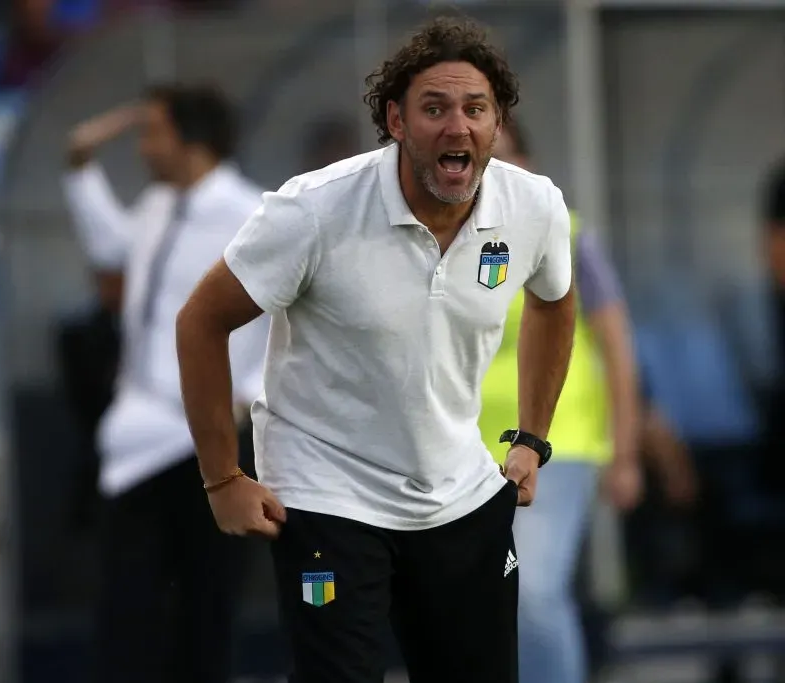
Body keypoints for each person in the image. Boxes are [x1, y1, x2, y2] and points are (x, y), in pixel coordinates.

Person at [175, 16, 576, 683]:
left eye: (476, 109)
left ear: (497, 122)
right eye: (434, 108)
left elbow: (554, 300)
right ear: (394, 119)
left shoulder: (533, 205)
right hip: (328, 502)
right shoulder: (314, 210)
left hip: (462, 496)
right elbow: (200, 321)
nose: (458, 127)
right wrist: (222, 477)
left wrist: (532, 437)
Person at [62, 84, 269, 683]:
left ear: (191, 140)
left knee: (206, 603)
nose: (145, 147)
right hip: (139, 431)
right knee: (129, 607)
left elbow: (289, 312)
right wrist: (79, 162)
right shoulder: (156, 206)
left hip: (209, 433)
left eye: (153, 132)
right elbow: (111, 245)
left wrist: (249, 392)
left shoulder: (252, 214)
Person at [478, 117, 643, 683]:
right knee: (483, 593)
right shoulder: (451, 242)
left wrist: (625, 451)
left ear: (528, 164)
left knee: (533, 587)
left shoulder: (568, 235)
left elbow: (618, 347)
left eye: (504, 159)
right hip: (466, 450)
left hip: (556, 443)